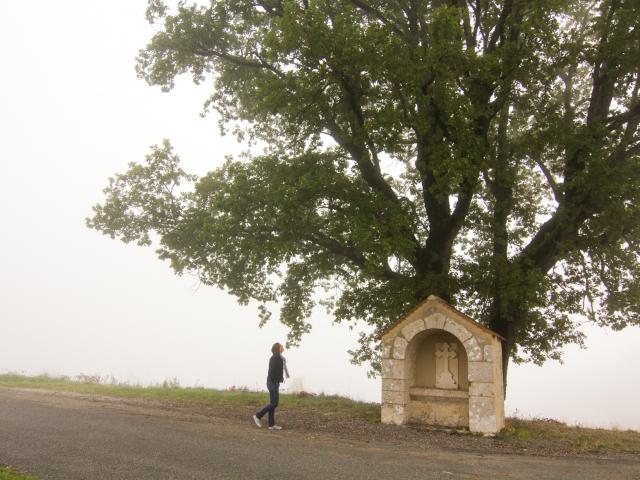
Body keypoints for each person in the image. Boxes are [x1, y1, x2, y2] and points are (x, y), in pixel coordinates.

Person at [252, 342, 289, 430]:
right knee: (274, 403)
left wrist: (279, 380)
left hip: (274, 383)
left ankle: (271, 424)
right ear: (278, 348)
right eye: (281, 346)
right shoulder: (276, 358)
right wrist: (275, 381)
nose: (283, 347)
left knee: (273, 404)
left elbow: (278, 370)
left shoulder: (279, 358)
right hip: (272, 383)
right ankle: (257, 415)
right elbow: (272, 371)